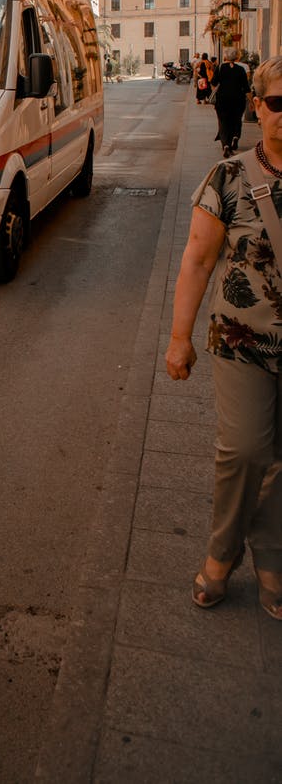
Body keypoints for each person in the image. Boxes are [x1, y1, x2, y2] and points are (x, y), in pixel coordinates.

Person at [165, 56, 282, 621]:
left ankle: (273, 559)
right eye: (277, 102)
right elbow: (197, 260)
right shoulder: (229, 178)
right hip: (244, 340)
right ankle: (222, 552)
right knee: (246, 450)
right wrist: (178, 339)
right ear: (258, 106)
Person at [211, 47, 252, 156]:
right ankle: (235, 136)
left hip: (222, 99)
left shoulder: (220, 68)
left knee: (223, 122)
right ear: (237, 56)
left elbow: (213, 82)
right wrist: (252, 102)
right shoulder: (241, 69)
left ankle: (226, 145)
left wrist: (216, 92)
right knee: (236, 119)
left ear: (225, 56)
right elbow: (246, 88)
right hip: (238, 99)